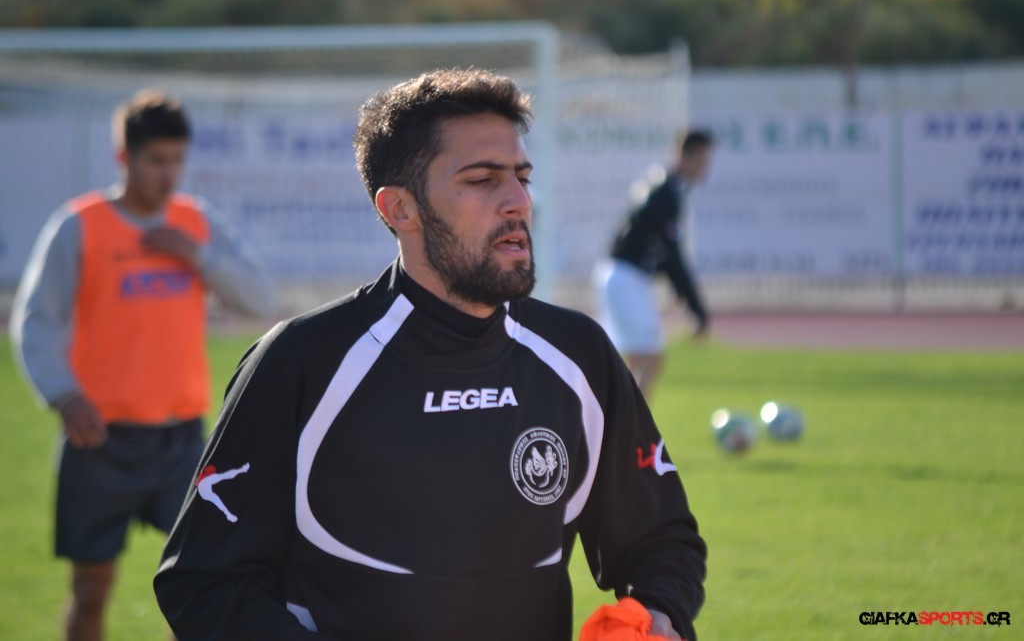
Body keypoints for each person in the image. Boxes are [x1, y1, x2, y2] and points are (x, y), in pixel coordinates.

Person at [153, 68, 707, 641]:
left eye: (521, 177)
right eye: (482, 180)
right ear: (400, 209)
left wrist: (656, 614)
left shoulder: (580, 354)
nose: (519, 202)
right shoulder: (300, 363)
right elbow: (203, 583)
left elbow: (661, 540)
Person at [10, 89, 276, 641]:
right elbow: (37, 321)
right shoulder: (79, 225)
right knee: (91, 589)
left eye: (177, 160)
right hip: (98, 439)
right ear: (123, 157)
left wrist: (195, 255)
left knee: (203, 583)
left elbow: (258, 299)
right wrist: (63, 393)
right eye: (156, 160)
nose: (168, 174)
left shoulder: (194, 223)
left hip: (181, 442)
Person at [594, 130, 716, 401]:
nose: (705, 168)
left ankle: (619, 421)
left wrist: (678, 291)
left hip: (623, 275)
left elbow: (654, 248)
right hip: (625, 277)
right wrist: (696, 309)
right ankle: (630, 425)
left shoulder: (666, 188)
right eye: (701, 160)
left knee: (637, 359)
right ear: (684, 156)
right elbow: (673, 257)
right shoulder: (666, 193)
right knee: (652, 358)